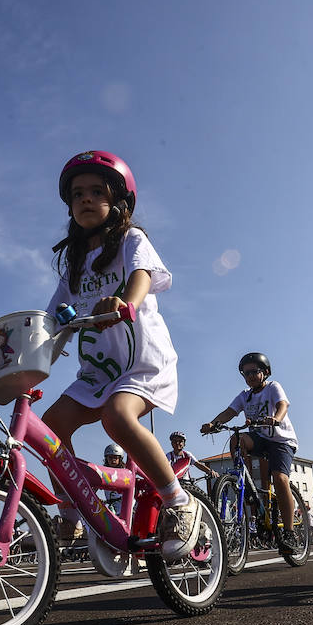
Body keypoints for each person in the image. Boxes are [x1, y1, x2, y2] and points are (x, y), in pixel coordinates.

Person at [43, 150, 197, 561]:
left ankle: (176, 500)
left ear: (120, 203)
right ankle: (73, 507)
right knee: (50, 426)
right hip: (98, 369)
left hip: (142, 361)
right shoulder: (73, 267)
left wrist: (125, 302)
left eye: (97, 192)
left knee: (116, 416)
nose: (86, 200)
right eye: (77, 194)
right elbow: (51, 317)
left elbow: (141, 277)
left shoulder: (131, 240)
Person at [202, 352, 300, 549]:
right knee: (237, 438)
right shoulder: (244, 396)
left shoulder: (273, 387)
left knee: (280, 479)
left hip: (281, 440)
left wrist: (277, 418)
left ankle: (289, 533)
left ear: (265, 372)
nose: (250, 377)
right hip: (261, 439)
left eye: (254, 372)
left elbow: (283, 404)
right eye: (246, 374)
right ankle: (243, 480)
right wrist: (213, 423)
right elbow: (230, 412)